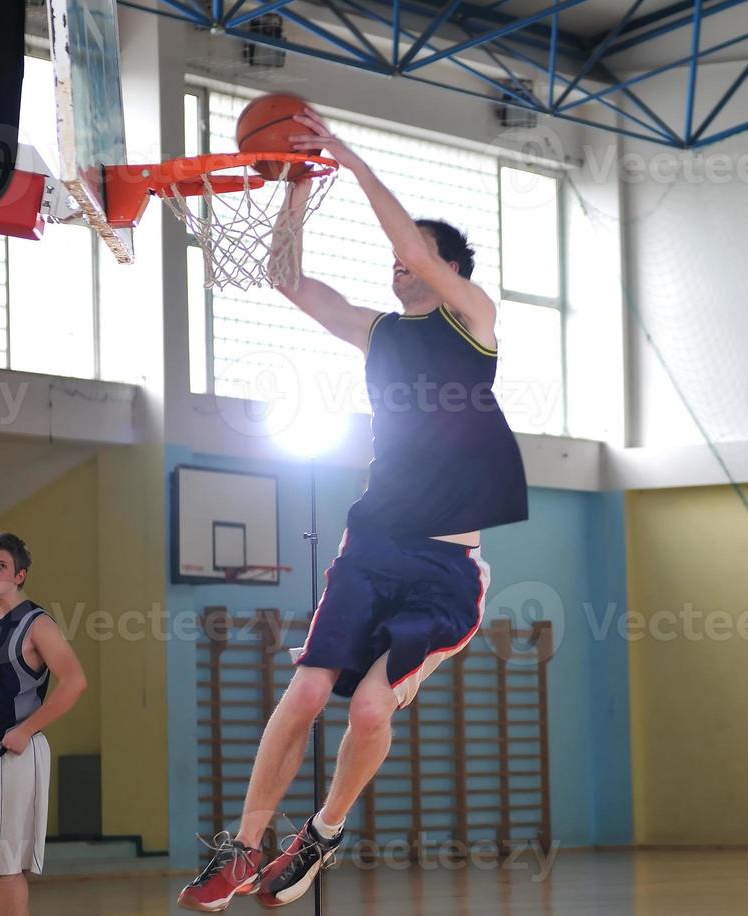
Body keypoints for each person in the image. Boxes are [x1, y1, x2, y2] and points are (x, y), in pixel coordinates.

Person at [177, 105, 528, 911]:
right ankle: (244, 847)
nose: (401, 265)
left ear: (448, 270)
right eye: (399, 260)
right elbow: (288, 282)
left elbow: (410, 243)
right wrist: (297, 187)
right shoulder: (380, 335)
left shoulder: (475, 323)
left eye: (419, 258)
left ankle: (323, 833)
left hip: (444, 570)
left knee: (372, 704)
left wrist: (347, 156)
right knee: (304, 692)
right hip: (371, 544)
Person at [0, 532, 88, 916]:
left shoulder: (36, 623)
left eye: (1, 565)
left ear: (20, 575)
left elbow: (75, 681)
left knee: (5, 867)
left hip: (13, 750)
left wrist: (25, 731)